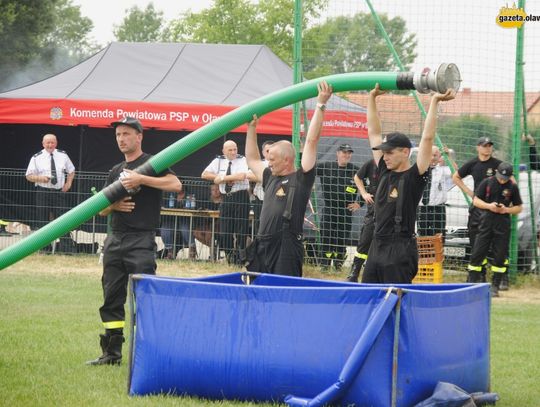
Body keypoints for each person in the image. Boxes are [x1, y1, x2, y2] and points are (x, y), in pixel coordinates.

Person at [87, 116, 181, 366]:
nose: (121, 139)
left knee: (144, 296)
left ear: (139, 136)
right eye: (118, 135)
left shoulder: (151, 163)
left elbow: (175, 184)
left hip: (141, 239)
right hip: (115, 239)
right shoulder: (115, 170)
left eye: (127, 134)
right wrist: (114, 204)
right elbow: (101, 209)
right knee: (111, 296)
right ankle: (111, 353)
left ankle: (148, 353)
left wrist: (142, 179)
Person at [361, 84, 455, 284]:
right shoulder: (384, 169)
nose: (384, 157)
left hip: (400, 247)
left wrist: (435, 102)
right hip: (377, 244)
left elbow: (427, 138)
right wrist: (371, 98)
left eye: (390, 152)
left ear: (405, 151)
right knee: (368, 297)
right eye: (383, 152)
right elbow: (373, 132)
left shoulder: (415, 175)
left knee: (397, 301)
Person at [245, 81, 333, 277]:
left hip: (286, 247)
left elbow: (311, 141)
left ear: (287, 160)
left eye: (272, 159)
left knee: (284, 292)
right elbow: (251, 159)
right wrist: (252, 128)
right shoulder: (269, 176)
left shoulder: (301, 178)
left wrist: (320, 105)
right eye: (268, 159)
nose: (268, 163)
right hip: (263, 243)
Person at [467, 162, 522, 297]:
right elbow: (476, 201)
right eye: (500, 176)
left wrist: (506, 209)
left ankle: (495, 286)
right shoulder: (487, 182)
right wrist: (489, 206)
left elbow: (519, 207)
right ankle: (472, 284)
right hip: (486, 220)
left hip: (502, 223)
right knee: (477, 253)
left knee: (499, 256)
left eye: (506, 177)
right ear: (496, 172)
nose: (502, 179)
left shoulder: (512, 187)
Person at [452, 136, 502, 283]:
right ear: (478, 147)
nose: (487, 148)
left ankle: (499, 279)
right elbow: (456, 177)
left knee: (494, 245)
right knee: (476, 243)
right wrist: (471, 193)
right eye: (484, 145)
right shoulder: (473, 163)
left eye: (489, 145)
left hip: (494, 209)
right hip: (478, 209)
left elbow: (510, 181)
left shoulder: (498, 164)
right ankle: (477, 275)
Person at [202, 140, 254, 264]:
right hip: (226, 197)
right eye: (230, 150)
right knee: (225, 229)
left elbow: (241, 176)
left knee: (241, 229)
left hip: (240, 196)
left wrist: (222, 178)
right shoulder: (218, 161)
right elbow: (204, 174)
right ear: (223, 151)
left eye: (235, 149)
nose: (233, 152)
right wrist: (221, 179)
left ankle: (241, 257)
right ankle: (229, 256)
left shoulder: (242, 159)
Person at [25, 133, 76, 252]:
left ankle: (67, 249)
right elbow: (28, 175)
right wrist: (40, 178)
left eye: (52, 142)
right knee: (43, 220)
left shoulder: (63, 155)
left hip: (59, 192)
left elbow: (72, 170)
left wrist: (68, 184)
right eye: (47, 142)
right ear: (43, 144)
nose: (50, 145)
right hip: (43, 192)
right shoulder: (36, 157)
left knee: (63, 220)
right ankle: (44, 248)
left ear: (56, 143)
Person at [316, 143, 360, 270]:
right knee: (326, 236)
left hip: (346, 211)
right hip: (329, 209)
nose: (346, 155)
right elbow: (308, 171)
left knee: (342, 238)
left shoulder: (356, 171)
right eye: (344, 152)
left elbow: (368, 187)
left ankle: (338, 264)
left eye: (349, 153)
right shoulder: (326, 167)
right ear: (337, 153)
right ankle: (324, 265)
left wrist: (359, 203)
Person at [346, 158, 379, 282]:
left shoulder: (396, 164)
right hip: (373, 212)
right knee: (364, 241)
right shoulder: (372, 163)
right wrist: (364, 193)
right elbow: (357, 177)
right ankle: (354, 272)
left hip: (389, 213)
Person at [417, 146, 457, 238]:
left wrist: (448, 156)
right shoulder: (419, 169)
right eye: (430, 155)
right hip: (422, 209)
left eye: (435, 155)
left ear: (439, 157)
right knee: (422, 237)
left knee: (439, 237)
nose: (432, 158)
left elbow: (455, 172)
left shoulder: (443, 170)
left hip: (438, 209)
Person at [160, 189, 197, 260]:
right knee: (165, 228)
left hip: (185, 218)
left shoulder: (189, 195)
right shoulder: (170, 195)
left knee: (184, 228)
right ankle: (170, 251)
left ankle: (192, 249)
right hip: (171, 218)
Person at [252, 141, 274, 232]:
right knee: (259, 227)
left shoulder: (280, 163)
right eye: (267, 150)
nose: (270, 153)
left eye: (272, 150)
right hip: (260, 201)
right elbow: (248, 175)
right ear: (263, 152)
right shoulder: (260, 163)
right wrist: (267, 178)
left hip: (274, 202)